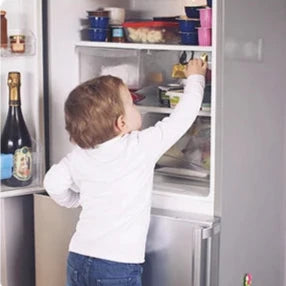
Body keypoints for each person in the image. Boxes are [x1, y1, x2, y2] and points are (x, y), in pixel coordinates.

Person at [43, 58, 207, 286]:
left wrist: (74, 200)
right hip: (117, 267)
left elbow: (52, 182)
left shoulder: (79, 155)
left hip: (78, 257)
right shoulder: (139, 147)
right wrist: (195, 77)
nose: (135, 106)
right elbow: (182, 118)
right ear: (121, 123)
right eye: (132, 104)